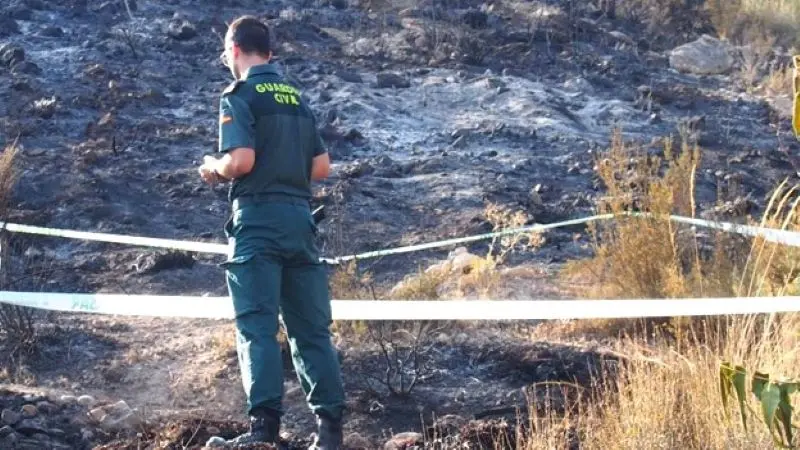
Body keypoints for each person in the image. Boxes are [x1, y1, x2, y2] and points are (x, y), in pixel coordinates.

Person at [198, 15, 345, 449]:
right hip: (300, 221)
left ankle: (264, 432)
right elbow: (321, 168)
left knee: (257, 327)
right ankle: (330, 433)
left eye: (226, 53)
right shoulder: (296, 98)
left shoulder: (238, 95)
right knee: (311, 330)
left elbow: (239, 161)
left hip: (258, 223)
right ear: (270, 52)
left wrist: (214, 167)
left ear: (234, 50)